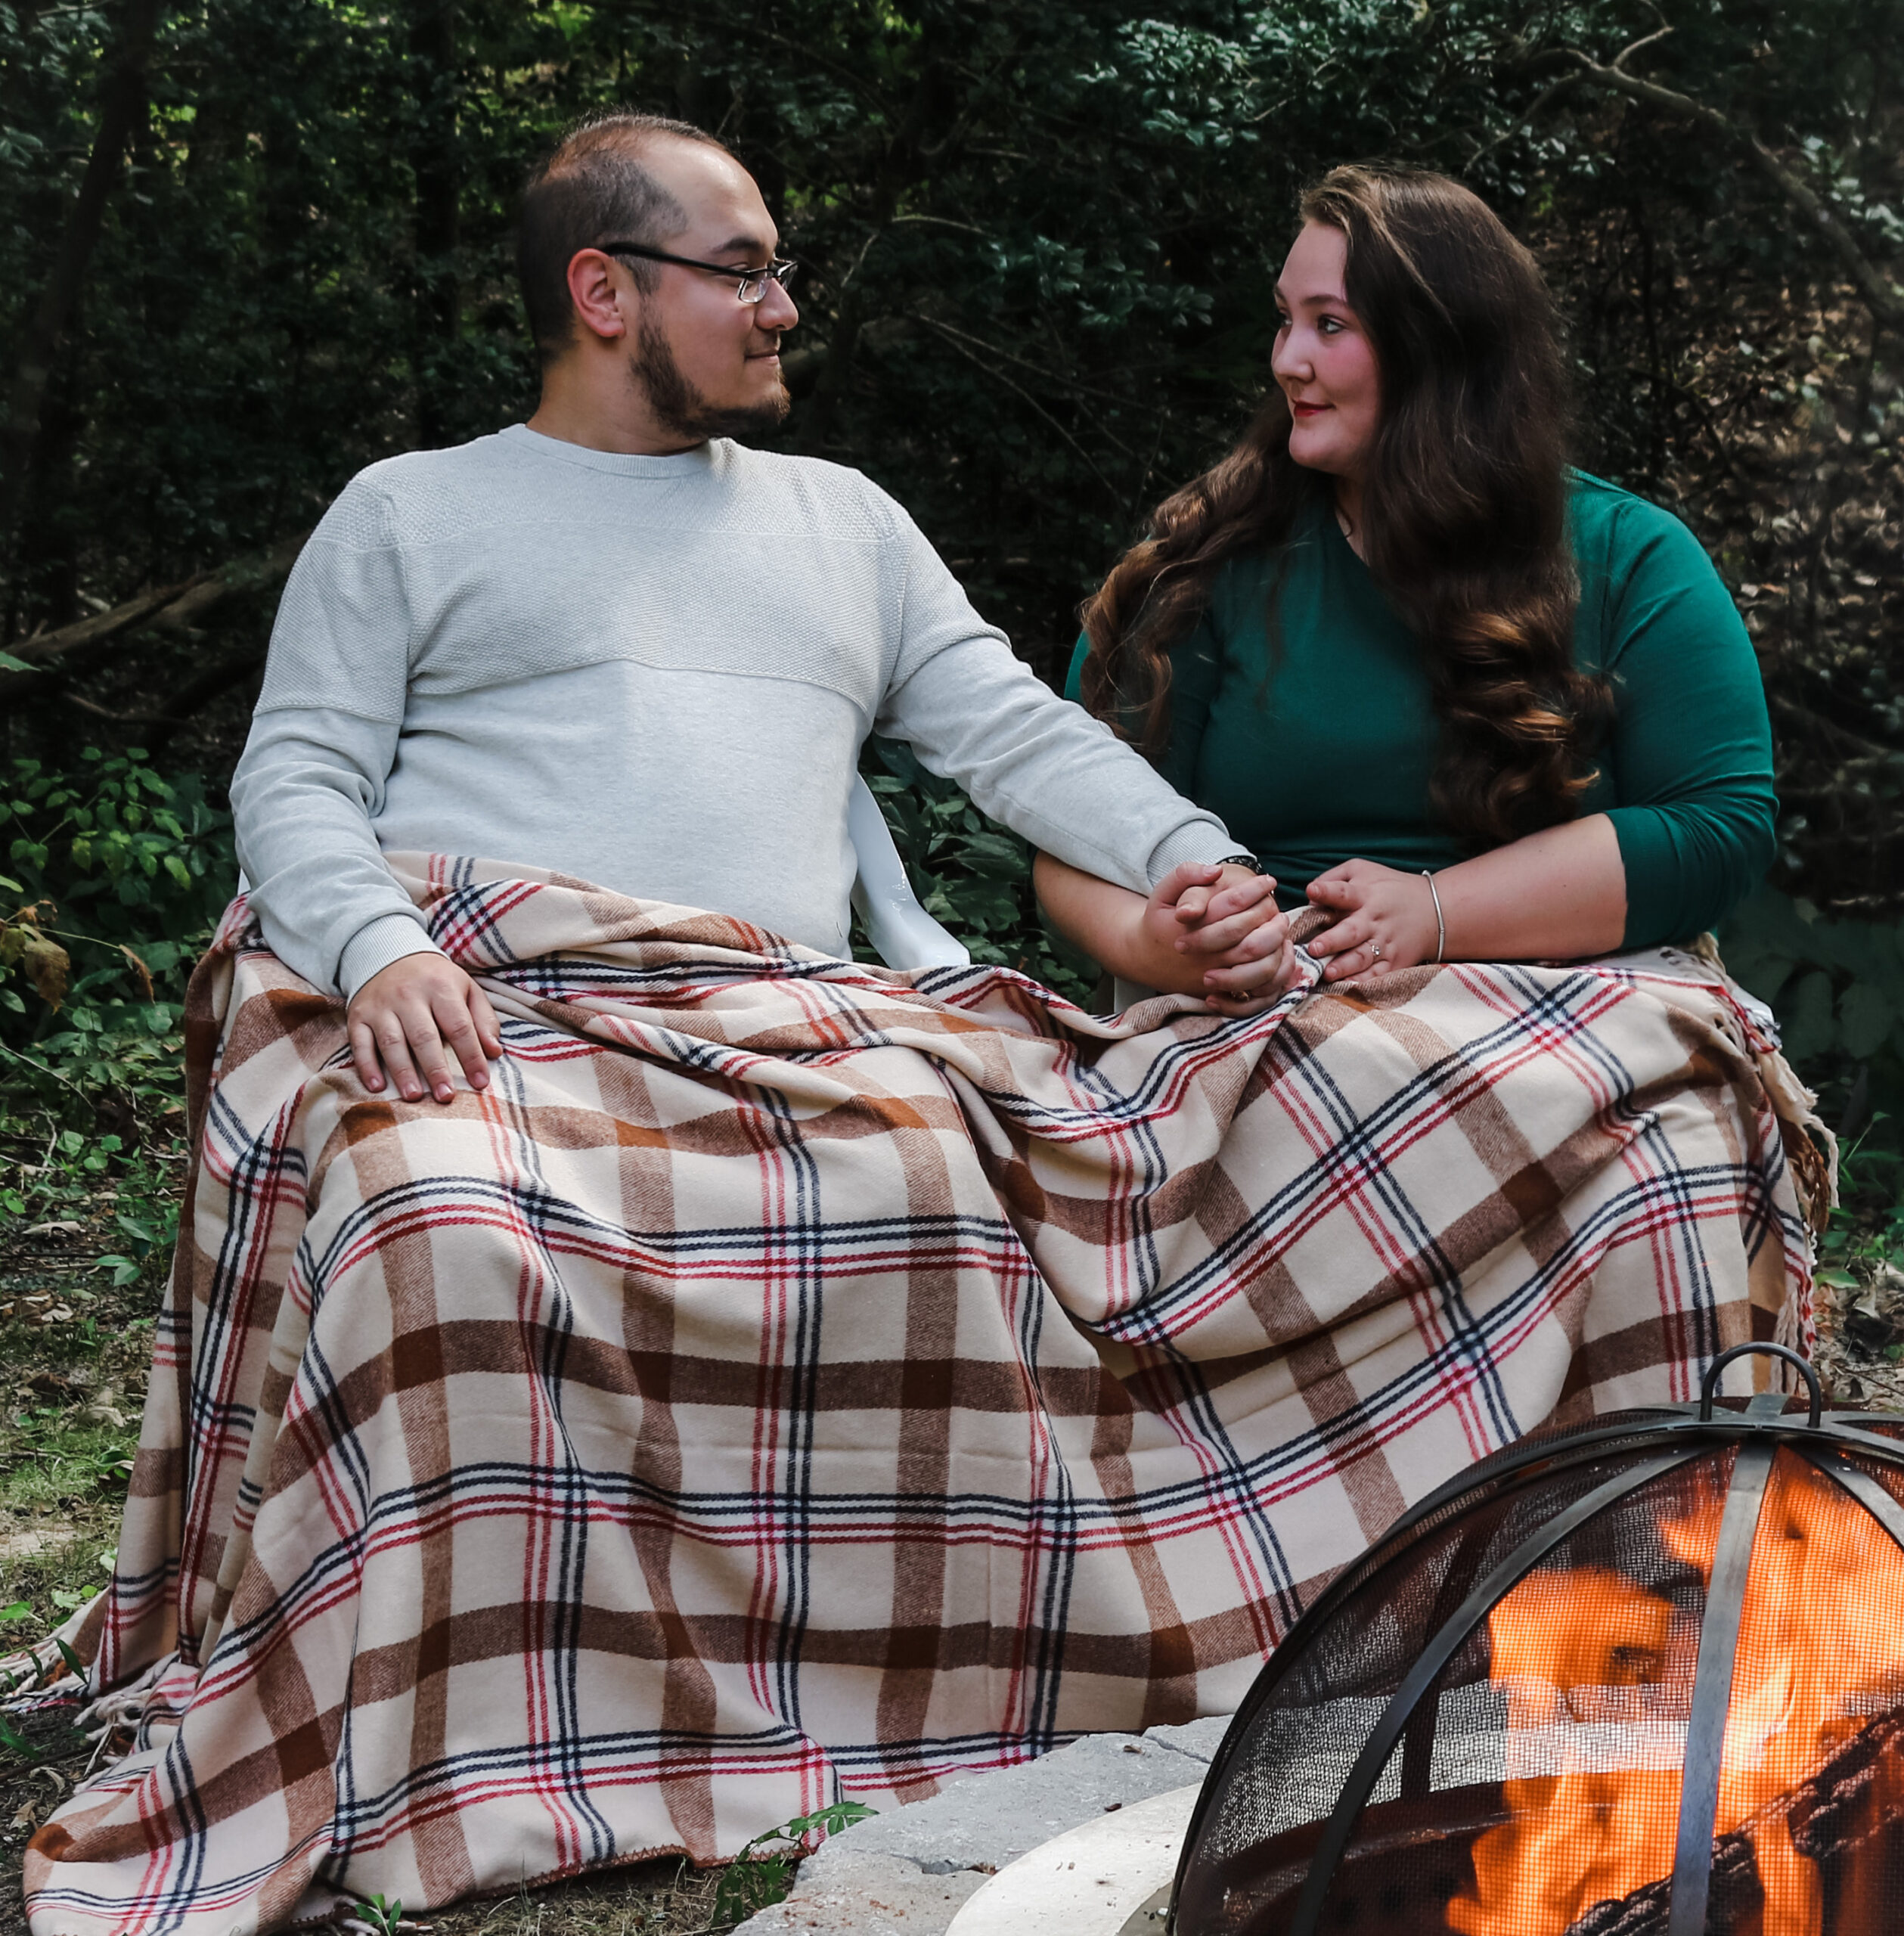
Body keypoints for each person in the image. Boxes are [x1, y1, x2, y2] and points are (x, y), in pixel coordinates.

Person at [16, 147, 1816, 1936]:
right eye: (742, 268)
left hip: (784, 1021)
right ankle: (440, 1736)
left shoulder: (841, 522)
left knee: (948, 1199)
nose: (785, 302)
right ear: (604, 288)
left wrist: (1195, 865)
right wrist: (381, 946)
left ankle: (870, 1691)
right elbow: (299, 775)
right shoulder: (411, 512)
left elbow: (1020, 742)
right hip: (481, 977)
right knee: (436, 1224)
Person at [1040, 164, 1778, 988]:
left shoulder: (1628, 555)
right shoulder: (1203, 558)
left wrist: (1434, 913)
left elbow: (1721, 831)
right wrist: (1155, 946)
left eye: (1329, 325)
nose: (1287, 359)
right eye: (1284, 320)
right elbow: (1073, 826)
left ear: (1442, 349)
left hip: (1558, 1008)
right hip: (1259, 1008)